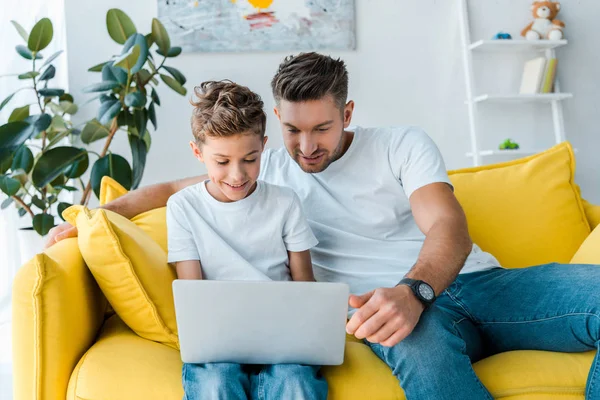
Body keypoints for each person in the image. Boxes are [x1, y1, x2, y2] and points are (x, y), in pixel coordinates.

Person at [47, 52, 600, 400]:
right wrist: (92, 218)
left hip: (470, 284)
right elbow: (172, 190)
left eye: (322, 128)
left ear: (348, 112)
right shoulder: (263, 168)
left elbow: (447, 226)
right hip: (388, 317)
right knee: (421, 357)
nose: (306, 146)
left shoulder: (402, 145)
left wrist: (415, 288)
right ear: (275, 125)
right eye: (291, 130)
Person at [169, 80, 327, 400]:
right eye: (222, 162)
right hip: (217, 340)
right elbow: (192, 296)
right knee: (216, 383)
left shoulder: (285, 201)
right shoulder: (184, 206)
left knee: (296, 381)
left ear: (264, 147)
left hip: (283, 336)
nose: (238, 175)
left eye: (250, 159)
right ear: (197, 152)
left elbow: (305, 286)